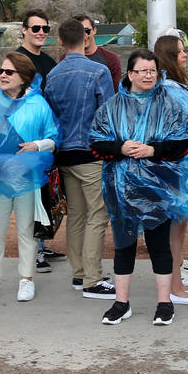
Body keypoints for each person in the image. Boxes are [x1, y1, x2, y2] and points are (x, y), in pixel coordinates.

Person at [90, 49, 188, 326]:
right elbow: (96, 143)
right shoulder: (112, 106)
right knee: (123, 246)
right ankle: (121, 303)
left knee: (159, 244)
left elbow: (183, 143)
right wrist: (120, 148)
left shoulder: (170, 104)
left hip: (158, 187)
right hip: (121, 189)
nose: (148, 76)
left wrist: (153, 150)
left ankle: (165, 303)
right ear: (130, 74)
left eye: (152, 71)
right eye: (142, 71)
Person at [0, 52, 58, 302]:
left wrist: (36, 145)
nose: (3, 75)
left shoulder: (38, 104)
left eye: (9, 72)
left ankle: (26, 279)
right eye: (0, 71)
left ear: (24, 77)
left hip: (26, 177)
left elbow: (53, 137)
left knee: (27, 230)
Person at [44, 18, 116, 299]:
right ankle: (92, 278)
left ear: (60, 41)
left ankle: (79, 272)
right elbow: (108, 114)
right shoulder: (98, 71)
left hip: (63, 153)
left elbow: (51, 116)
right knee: (98, 214)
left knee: (75, 213)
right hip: (90, 153)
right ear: (85, 39)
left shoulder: (53, 76)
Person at [153, 31, 188, 305]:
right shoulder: (169, 90)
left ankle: (177, 282)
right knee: (174, 228)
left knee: (179, 227)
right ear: (169, 57)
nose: (185, 55)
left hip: (181, 164)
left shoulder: (173, 86)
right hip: (175, 166)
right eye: (180, 51)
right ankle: (174, 286)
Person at [15, 9, 65, 268]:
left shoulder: (49, 62)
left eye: (45, 28)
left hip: (46, 137)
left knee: (47, 192)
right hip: (24, 137)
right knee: (28, 194)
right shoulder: (15, 59)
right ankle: (33, 250)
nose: (41, 33)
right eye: (36, 28)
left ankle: (42, 243)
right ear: (24, 30)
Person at [60, 15, 123, 91]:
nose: (84, 36)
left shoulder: (111, 58)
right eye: (78, 33)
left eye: (87, 31)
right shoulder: (65, 58)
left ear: (94, 30)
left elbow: (116, 92)